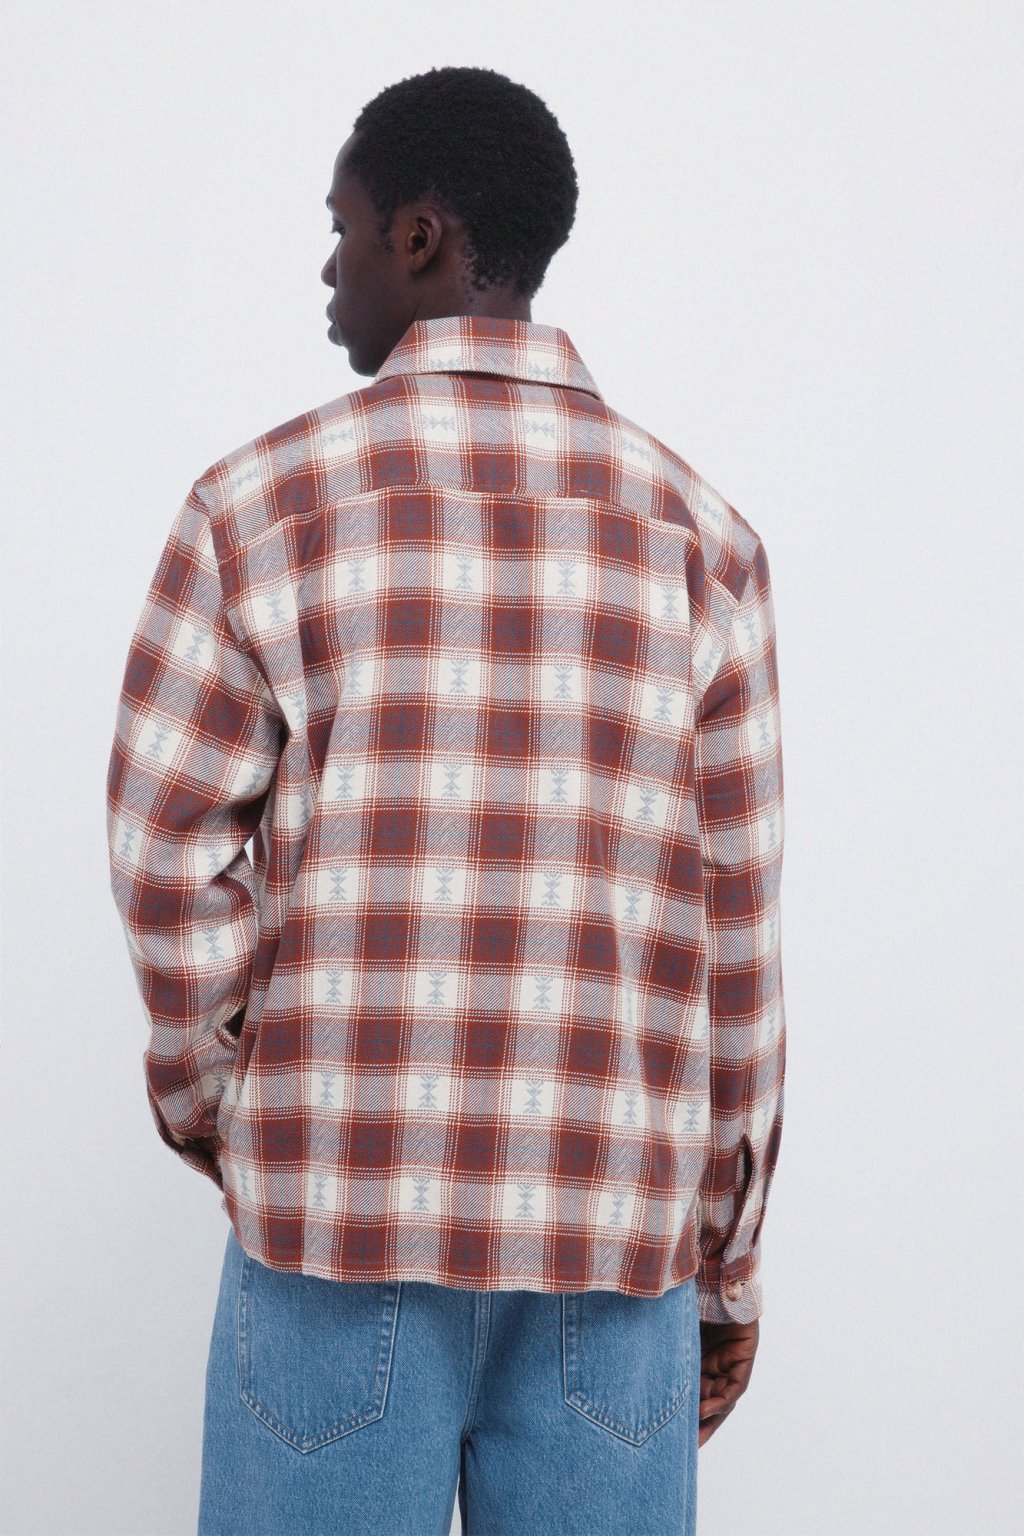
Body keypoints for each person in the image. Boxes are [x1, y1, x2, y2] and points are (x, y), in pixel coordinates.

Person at [105, 64, 786, 1536]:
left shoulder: (257, 509)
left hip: (332, 1229)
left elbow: (167, 857)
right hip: (612, 1248)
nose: (328, 267)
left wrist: (240, 1112)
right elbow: (734, 938)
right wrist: (724, 1259)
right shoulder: (702, 541)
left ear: (420, 239)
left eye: (341, 229)